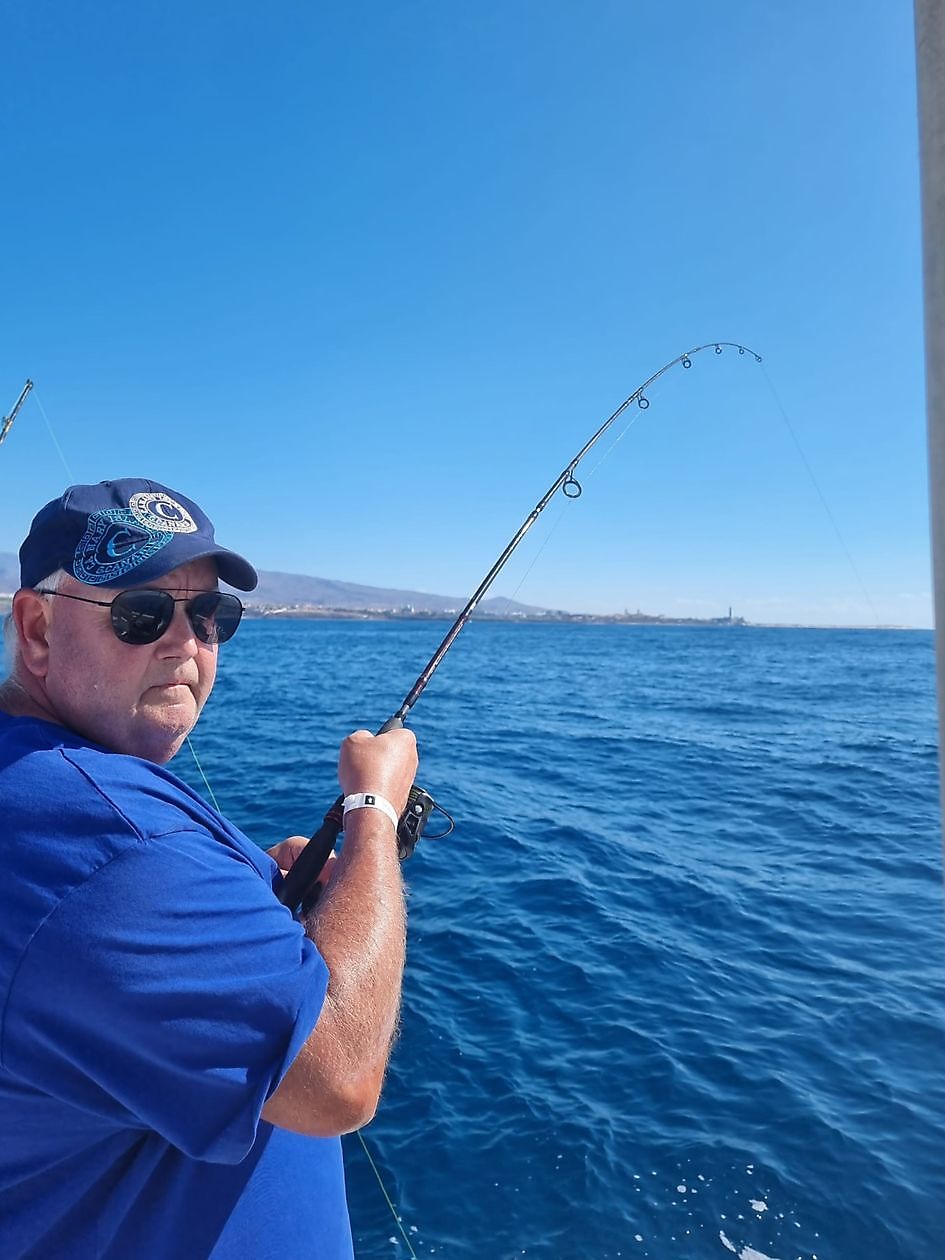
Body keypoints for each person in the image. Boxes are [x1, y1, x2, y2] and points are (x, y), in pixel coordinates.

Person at [0, 478, 418, 1259]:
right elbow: (337, 1079)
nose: (186, 644)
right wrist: (373, 810)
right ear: (37, 628)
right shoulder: (117, 850)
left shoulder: (39, 785)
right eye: (142, 612)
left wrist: (251, 892)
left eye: (210, 616)